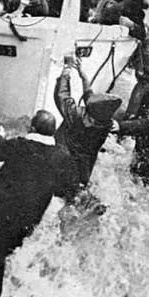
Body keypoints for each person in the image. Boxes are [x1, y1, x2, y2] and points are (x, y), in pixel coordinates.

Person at [0, 111, 78, 258]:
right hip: (30, 218)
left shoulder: (20, 144)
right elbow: (67, 190)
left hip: (0, 207)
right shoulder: (62, 157)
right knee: (6, 251)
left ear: (33, 129)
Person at [53, 55, 122, 200]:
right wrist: (83, 77)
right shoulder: (107, 124)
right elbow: (91, 98)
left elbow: (62, 96)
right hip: (85, 169)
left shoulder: (77, 116)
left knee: (60, 194)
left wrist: (66, 70)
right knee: (77, 194)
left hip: (65, 164)